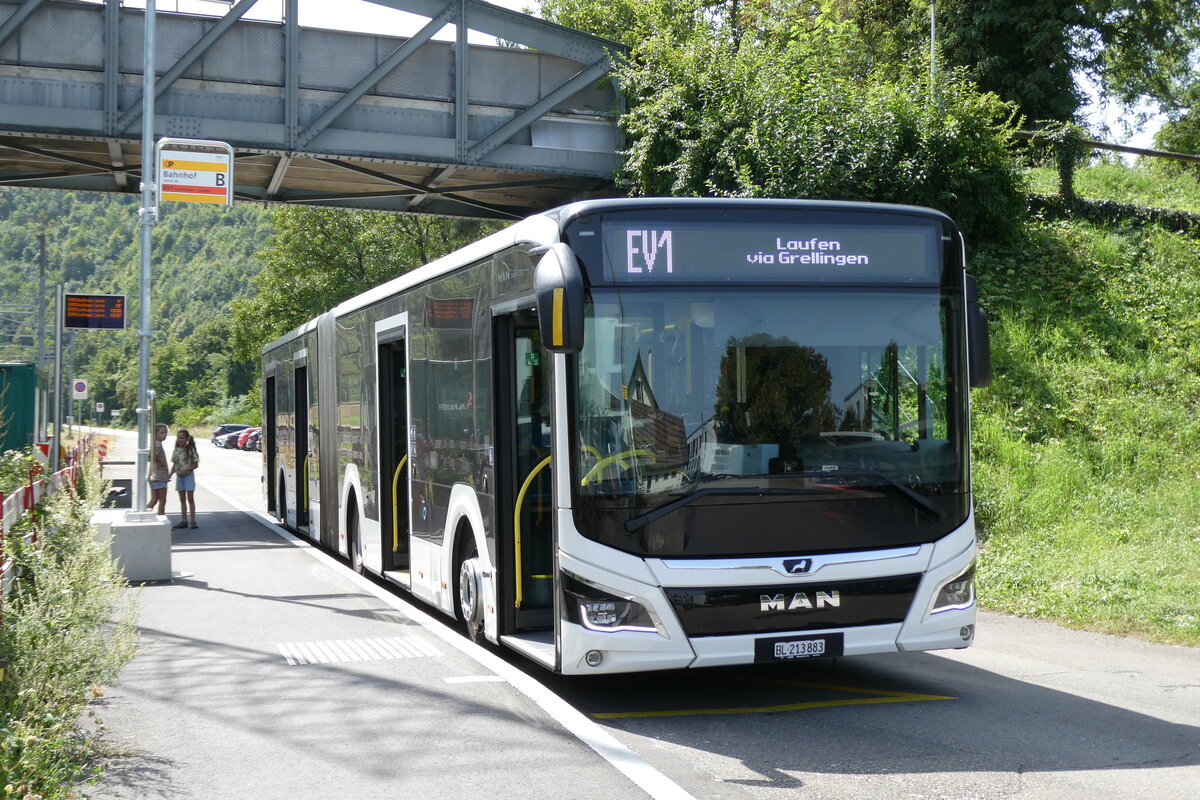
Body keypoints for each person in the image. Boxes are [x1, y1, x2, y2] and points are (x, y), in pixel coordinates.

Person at [168, 428, 200, 529]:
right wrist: (169, 475)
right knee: (182, 499)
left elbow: (195, 465)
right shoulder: (176, 450)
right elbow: (175, 465)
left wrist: (186, 470)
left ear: (187, 439)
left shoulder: (190, 450)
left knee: (190, 499)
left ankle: (193, 520)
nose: (180, 440)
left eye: (182, 438)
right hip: (179, 477)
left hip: (188, 476)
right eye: (178, 438)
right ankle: (183, 520)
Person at [148, 422, 169, 515]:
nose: (164, 435)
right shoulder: (157, 444)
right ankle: (161, 518)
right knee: (162, 500)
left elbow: (149, 456)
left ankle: (144, 515)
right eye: (162, 433)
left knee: (154, 499)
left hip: (154, 475)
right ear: (155, 434)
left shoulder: (155, 443)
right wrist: (159, 461)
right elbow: (152, 455)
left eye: (165, 433)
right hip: (159, 476)